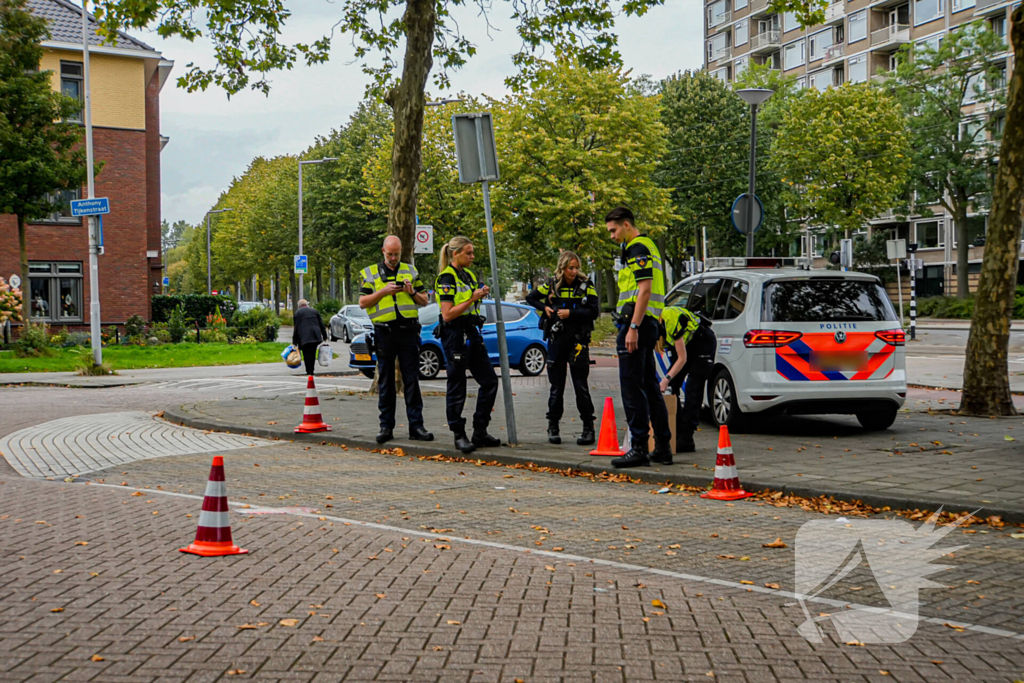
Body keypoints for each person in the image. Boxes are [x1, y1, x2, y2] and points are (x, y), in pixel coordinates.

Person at [605, 206, 672, 468]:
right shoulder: (649, 247)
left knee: (631, 388)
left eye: (613, 230)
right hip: (648, 323)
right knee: (650, 387)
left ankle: (639, 448)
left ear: (626, 225)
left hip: (636, 325)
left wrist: (632, 327)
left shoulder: (638, 248)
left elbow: (643, 291)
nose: (611, 236)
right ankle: (663, 448)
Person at [359, 235, 433, 444]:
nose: (393, 258)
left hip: (408, 331)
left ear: (402, 252)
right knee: (386, 381)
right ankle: (386, 427)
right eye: (390, 254)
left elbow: (424, 300)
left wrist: (411, 292)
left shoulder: (410, 271)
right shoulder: (371, 273)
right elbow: (363, 302)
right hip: (384, 332)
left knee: (412, 379)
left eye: (397, 254)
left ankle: (416, 426)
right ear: (383, 251)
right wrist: (382, 291)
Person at [435, 236, 501, 454]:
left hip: (472, 332)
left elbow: (472, 298)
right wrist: (472, 298)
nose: (472, 257)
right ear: (455, 253)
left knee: (490, 380)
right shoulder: (447, 277)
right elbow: (447, 314)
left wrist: (481, 293)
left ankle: (480, 430)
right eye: (468, 253)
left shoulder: (469, 275)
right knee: (457, 383)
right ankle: (458, 434)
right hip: (455, 334)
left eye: (472, 253)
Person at [526, 250, 598, 445]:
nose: (574, 272)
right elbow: (530, 298)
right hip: (557, 340)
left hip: (578, 342)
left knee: (580, 386)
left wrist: (571, 313)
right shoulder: (551, 285)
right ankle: (553, 426)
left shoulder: (585, 286)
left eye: (576, 268)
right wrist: (545, 308)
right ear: (562, 267)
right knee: (556, 387)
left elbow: (594, 311)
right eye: (570, 268)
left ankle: (588, 428)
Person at [658, 304, 716, 456]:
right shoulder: (656, 327)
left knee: (693, 389)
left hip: (703, 342)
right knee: (673, 387)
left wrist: (665, 379)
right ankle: (675, 431)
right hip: (687, 344)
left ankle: (687, 437)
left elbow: (682, 359)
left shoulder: (671, 318)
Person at [291, 299, 328, 377]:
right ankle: (312, 370)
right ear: (306, 305)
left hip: (304, 336)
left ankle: (309, 371)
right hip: (315, 335)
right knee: (313, 353)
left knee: (306, 354)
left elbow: (296, 328)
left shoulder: (298, 313)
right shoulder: (314, 311)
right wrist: (324, 336)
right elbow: (321, 324)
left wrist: (294, 342)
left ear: (299, 306)